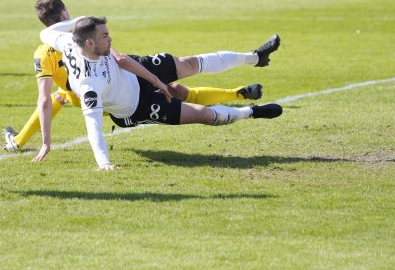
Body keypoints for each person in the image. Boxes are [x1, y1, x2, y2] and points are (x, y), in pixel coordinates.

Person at [2, 0, 266, 154]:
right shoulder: (85, 35)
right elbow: (119, 58)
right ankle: (240, 88)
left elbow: (44, 99)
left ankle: (17, 141)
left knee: (60, 97)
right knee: (179, 87)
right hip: (120, 83)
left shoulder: (43, 52)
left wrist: (46, 142)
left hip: (94, 96)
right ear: (64, 14)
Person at [39, 12, 282, 170]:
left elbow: (45, 32)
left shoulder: (69, 41)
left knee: (187, 63)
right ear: (90, 43)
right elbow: (94, 129)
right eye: (105, 36)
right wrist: (104, 163)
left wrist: (78, 21)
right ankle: (251, 112)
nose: (110, 38)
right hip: (135, 107)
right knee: (203, 115)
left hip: (133, 70)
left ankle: (256, 58)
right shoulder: (89, 87)